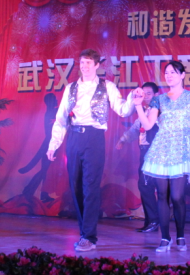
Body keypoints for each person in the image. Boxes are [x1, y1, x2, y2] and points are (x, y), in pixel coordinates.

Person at [47, 49, 136, 252]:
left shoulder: (107, 86)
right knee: (76, 186)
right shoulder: (70, 88)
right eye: (82, 63)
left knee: (90, 186)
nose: (85, 66)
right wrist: (54, 144)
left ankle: (89, 236)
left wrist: (133, 98)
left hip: (94, 138)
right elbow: (61, 118)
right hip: (74, 137)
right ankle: (84, 233)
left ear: (97, 65)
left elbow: (123, 109)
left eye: (89, 63)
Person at [132, 60, 190, 252]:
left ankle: (180, 236)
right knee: (162, 195)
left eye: (173, 72)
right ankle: (165, 239)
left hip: (182, 148)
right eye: (166, 72)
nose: (169, 75)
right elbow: (148, 125)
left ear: (182, 75)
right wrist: (138, 106)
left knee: (177, 195)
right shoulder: (159, 99)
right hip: (162, 148)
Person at [115, 82, 160, 233]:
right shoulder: (144, 111)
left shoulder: (159, 111)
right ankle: (151, 221)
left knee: (148, 186)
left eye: (149, 94)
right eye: (143, 94)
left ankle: (154, 221)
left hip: (155, 154)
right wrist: (123, 139)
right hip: (145, 152)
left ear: (156, 95)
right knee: (145, 186)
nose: (145, 97)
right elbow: (136, 128)